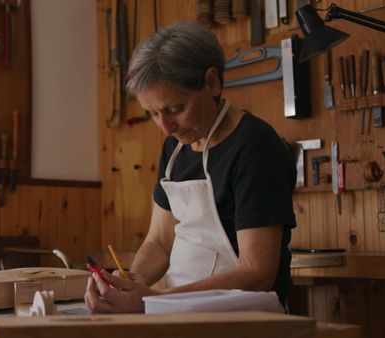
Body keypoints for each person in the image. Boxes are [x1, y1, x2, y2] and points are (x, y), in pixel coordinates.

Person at [84, 22, 297, 313]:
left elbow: (257, 273)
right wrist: (132, 280)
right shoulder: (176, 147)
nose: (165, 127)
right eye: (153, 114)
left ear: (212, 82)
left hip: (245, 320)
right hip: (179, 312)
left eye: (175, 109)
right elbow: (159, 241)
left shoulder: (254, 147)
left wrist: (153, 300)